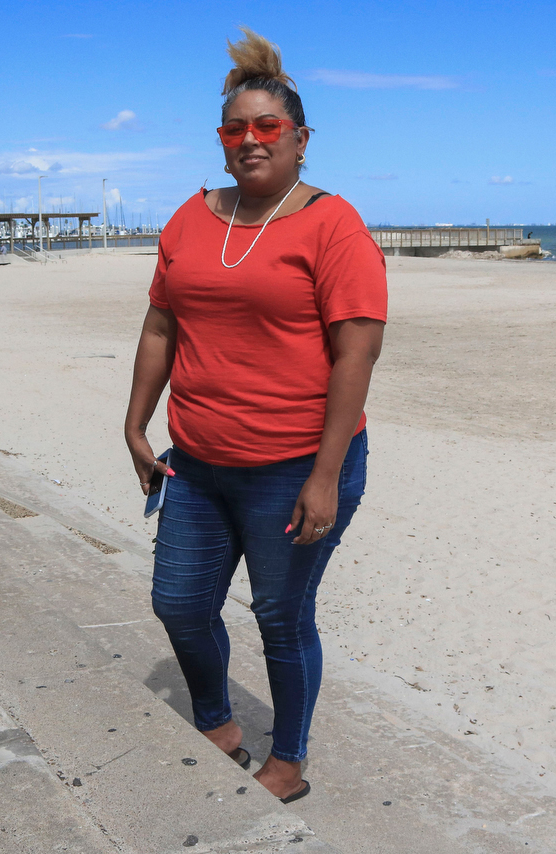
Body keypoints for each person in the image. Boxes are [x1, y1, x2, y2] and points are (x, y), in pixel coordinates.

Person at [124, 28, 387, 804]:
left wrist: (325, 476)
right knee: (177, 601)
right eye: (234, 129)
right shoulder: (190, 218)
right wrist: (136, 425)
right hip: (198, 462)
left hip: (294, 467)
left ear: (301, 140)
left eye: (267, 128)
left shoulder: (332, 226)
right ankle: (215, 722)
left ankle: (290, 758)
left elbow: (356, 356)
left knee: (279, 613)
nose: (250, 141)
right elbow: (160, 328)